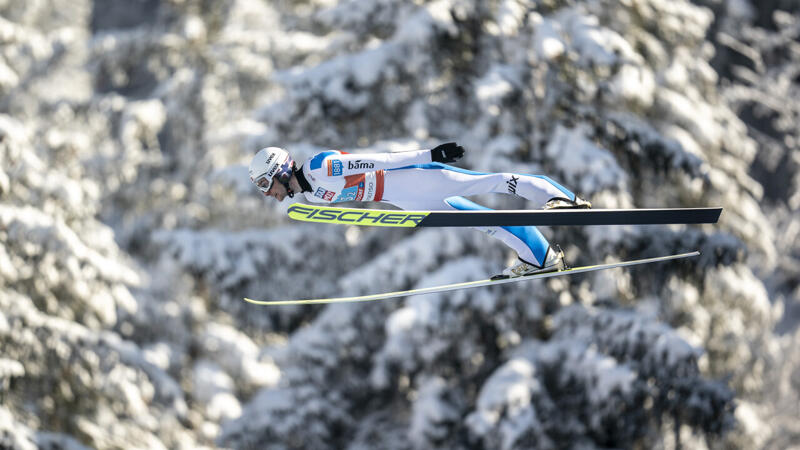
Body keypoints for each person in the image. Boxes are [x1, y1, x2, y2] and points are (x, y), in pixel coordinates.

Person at [248, 143, 590, 278]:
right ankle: (540, 256)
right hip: (404, 199)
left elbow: (379, 160)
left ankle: (563, 197)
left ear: (279, 169)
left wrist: (429, 155)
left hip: (416, 178)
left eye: (266, 185)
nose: (270, 195)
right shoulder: (311, 197)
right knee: (481, 222)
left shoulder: (321, 168)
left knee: (492, 181)